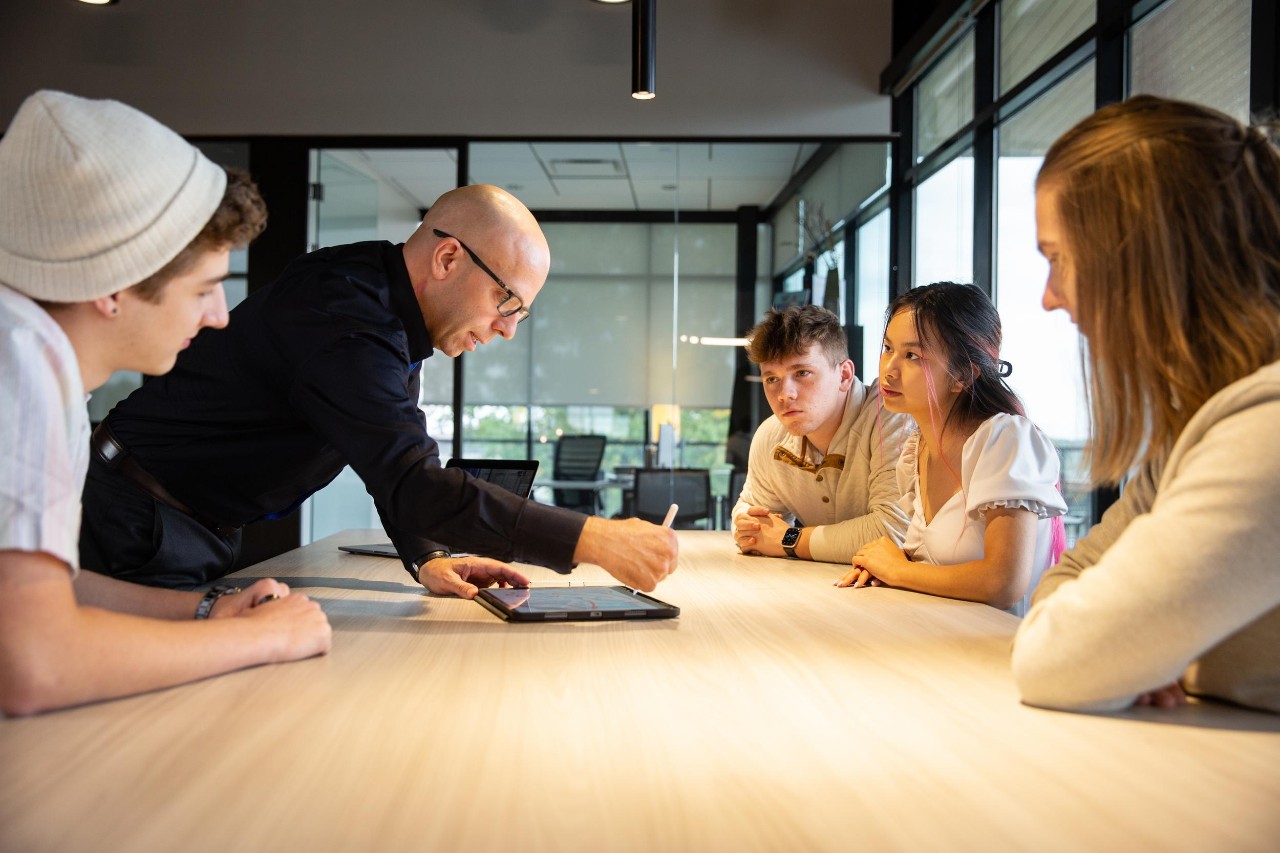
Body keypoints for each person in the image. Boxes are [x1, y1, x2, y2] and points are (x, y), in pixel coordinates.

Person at [79, 184, 677, 596]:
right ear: (448, 257)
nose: (507, 329)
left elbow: (392, 461)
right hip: (134, 520)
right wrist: (592, 537)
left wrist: (427, 556)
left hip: (185, 522)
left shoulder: (386, 307)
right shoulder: (347, 318)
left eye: (522, 313)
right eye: (507, 301)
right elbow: (414, 482)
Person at [0, 90, 331, 716]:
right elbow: (32, 662)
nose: (219, 317)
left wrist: (208, 610)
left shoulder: (46, 364)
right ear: (114, 284)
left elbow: (48, 588)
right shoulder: (17, 363)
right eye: (205, 288)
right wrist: (257, 638)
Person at [1011, 95, 1280, 715]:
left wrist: (1132, 652)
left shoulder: (1265, 428)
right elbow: (1066, 586)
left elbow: (1058, 657)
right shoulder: (1200, 424)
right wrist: (1133, 650)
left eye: (1058, 259)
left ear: (1138, 260)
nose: (1050, 298)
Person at [836, 283, 1067, 614]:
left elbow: (1003, 582)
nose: (889, 369)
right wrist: (890, 564)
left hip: (1002, 651)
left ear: (963, 375)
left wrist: (899, 570)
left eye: (913, 356)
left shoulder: (1004, 439)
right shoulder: (915, 449)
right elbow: (932, 566)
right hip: (941, 640)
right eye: (888, 348)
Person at [731, 305, 910, 563]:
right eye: (772, 379)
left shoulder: (892, 416)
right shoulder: (771, 435)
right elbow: (750, 515)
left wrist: (789, 539)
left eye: (802, 373)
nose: (784, 394)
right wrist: (747, 525)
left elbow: (893, 535)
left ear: (845, 375)